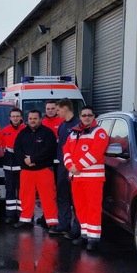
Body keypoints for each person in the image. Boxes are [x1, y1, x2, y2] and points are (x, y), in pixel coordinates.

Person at [63, 106, 109, 251]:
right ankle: (84, 234)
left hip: (93, 179)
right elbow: (66, 150)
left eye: (89, 115)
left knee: (93, 208)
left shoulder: (99, 132)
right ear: (80, 116)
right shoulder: (75, 133)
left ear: (94, 116)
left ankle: (94, 238)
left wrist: (77, 166)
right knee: (80, 208)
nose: (87, 117)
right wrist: (70, 165)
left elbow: (95, 153)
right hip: (76, 178)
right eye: (84, 115)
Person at [12, 110, 58, 230]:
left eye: (35, 118)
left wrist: (33, 159)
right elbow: (17, 149)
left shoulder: (48, 133)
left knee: (48, 196)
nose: (32, 121)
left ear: (40, 119)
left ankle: (51, 222)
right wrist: (25, 160)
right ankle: (25, 220)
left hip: (44, 170)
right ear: (27, 120)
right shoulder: (22, 133)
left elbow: (50, 150)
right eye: (31, 118)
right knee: (25, 196)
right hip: (26, 171)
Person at [51, 98, 81, 238]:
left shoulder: (78, 125)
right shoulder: (63, 126)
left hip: (74, 168)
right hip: (62, 166)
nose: (57, 113)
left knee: (75, 198)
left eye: (58, 110)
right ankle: (64, 224)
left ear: (65, 108)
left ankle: (77, 228)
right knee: (62, 196)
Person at [1, 107, 25, 224]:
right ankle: (10, 215)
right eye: (13, 116)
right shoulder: (4, 130)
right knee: (9, 191)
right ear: (10, 118)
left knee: (23, 192)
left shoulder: (26, 130)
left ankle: (23, 215)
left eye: (17, 116)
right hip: (8, 166)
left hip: (23, 167)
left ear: (21, 117)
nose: (15, 118)